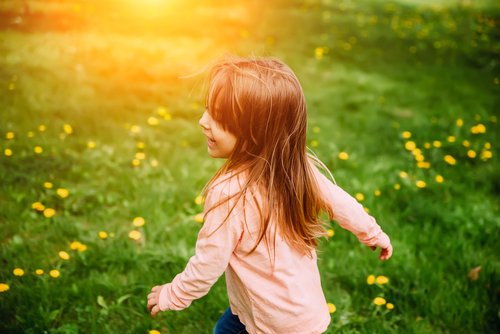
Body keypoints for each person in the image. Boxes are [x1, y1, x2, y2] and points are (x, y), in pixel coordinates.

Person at [147, 57, 393, 334]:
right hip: (299, 312)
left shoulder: (229, 194)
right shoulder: (297, 167)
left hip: (272, 324)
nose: (203, 121)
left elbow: (208, 263)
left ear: (256, 132)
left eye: (219, 117)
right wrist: (372, 233)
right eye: (207, 109)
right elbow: (342, 203)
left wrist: (173, 294)